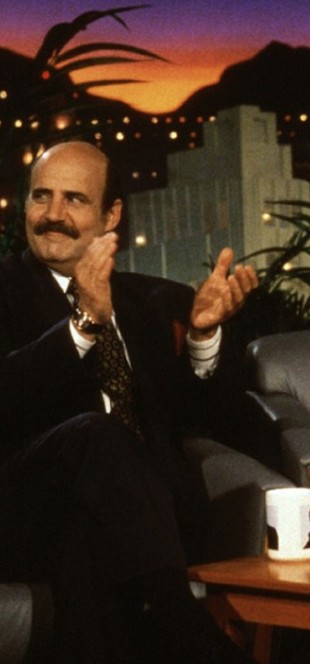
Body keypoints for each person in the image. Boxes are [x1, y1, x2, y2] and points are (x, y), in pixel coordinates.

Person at [0, 141, 258, 663]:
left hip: (130, 519)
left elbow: (201, 417)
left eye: (73, 199)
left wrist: (203, 338)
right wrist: (82, 326)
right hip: (19, 509)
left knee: (87, 551)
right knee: (94, 432)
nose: (52, 215)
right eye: (41, 197)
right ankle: (185, 626)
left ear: (110, 214)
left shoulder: (148, 302)